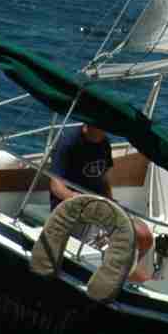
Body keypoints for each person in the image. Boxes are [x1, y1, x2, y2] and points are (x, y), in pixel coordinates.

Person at [48, 120, 155, 281]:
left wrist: (111, 202)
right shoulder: (68, 141)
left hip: (101, 207)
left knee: (144, 236)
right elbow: (56, 186)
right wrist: (81, 200)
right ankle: (137, 282)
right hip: (73, 212)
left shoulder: (104, 144)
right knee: (124, 257)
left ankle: (124, 278)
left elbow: (103, 179)